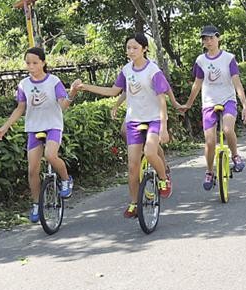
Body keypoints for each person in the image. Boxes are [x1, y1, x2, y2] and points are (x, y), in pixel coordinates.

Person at [73, 32, 173, 218]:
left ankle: (163, 179)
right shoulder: (126, 70)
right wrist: (86, 87)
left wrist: (164, 127)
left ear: (144, 49)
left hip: (153, 119)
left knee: (151, 152)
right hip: (133, 120)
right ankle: (134, 203)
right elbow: (113, 91)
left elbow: (162, 100)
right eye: (128, 47)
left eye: (135, 47)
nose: (131, 51)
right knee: (133, 166)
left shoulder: (153, 71)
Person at [0, 47, 79, 223]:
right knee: (32, 170)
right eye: (28, 63)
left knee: (50, 155)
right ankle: (35, 203)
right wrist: (5, 127)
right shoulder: (23, 84)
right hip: (33, 127)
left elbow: (63, 105)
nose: (31, 66)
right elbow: (20, 108)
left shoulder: (53, 81)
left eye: (34, 62)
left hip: (53, 126)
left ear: (43, 63)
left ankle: (66, 179)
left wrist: (72, 93)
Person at [180, 25, 246, 190]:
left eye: (211, 38)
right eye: (205, 39)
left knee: (227, 129)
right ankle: (210, 171)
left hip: (228, 100)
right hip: (209, 102)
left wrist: (245, 105)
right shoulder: (200, 61)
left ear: (218, 38)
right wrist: (188, 104)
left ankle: (235, 156)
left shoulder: (229, 58)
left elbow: (237, 83)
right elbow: (197, 85)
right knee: (210, 141)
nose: (208, 41)